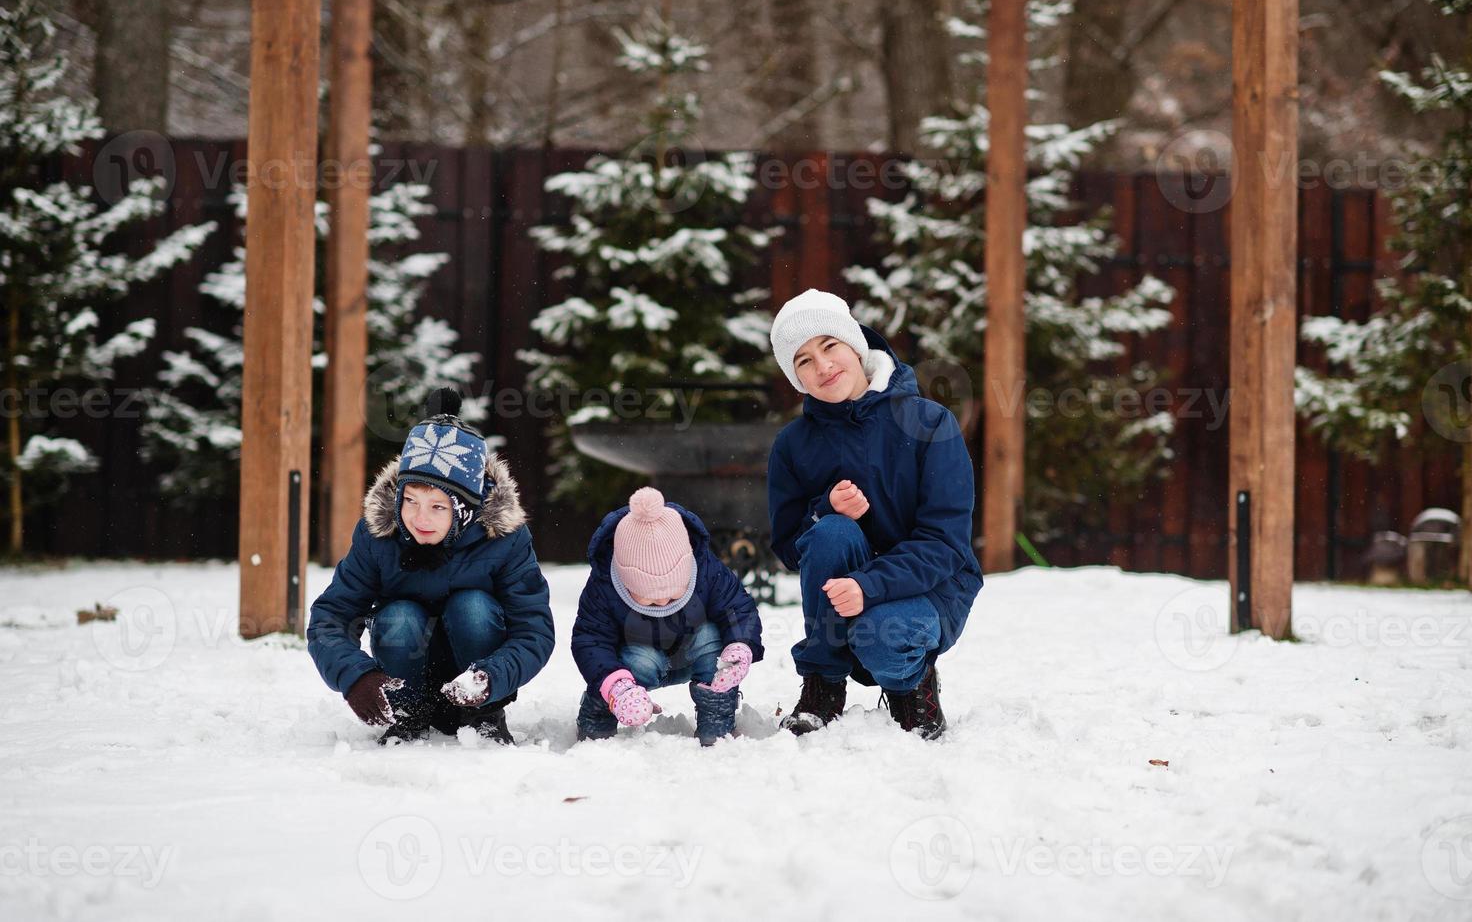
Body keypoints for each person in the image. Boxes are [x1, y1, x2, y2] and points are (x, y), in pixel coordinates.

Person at [766, 289, 983, 739]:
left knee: (881, 631)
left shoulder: (930, 422)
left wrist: (869, 586)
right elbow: (790, 546)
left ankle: (910, 684)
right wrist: (824, 510)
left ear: (856, 346)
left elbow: (946, 543)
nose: (822, 366)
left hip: (933, 586)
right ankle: (822, 686)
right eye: (803, 361)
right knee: (831, 534)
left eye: (830, 346)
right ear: (795, 377)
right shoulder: (793, 444)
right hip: (840, 591)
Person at [307, 389, 554, 745]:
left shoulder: (504, 538)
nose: (419, 518)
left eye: (438, 506)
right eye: (410, 501)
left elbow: (534, 631)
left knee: (472, 605)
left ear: (465, 509)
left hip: (476, 681)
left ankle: (483, 719)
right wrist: (354, 675)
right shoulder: (380, 535)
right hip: (404, 673)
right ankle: (409, 716)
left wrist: (491, 678)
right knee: (399, 615)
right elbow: (332, 617)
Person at [570, 487, 764, 747]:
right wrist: (616, 685)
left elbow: (739, 608)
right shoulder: (605, 586)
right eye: (649, 597)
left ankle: (716, 711)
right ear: (625, 581)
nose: (662, 601)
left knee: (711, 636)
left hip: (694, 651)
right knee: (637, 661)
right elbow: (590, 640)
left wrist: (740, 645)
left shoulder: (706, 569)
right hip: (637, 662)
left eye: (673, 594)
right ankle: (600, 712)